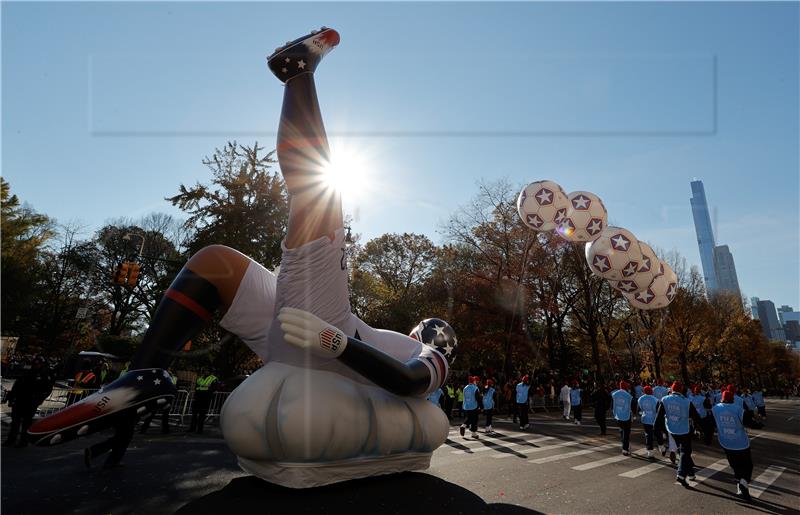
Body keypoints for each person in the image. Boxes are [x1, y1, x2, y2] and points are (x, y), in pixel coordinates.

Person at [32, 28, 458, 487]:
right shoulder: (403, 336)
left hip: (327, 342)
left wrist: (339, 343)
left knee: (319, 197)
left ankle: (298, 73)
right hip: (308, 334)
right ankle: (146, 374)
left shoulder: (429, 352)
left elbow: (411, 382)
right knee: (215, 263)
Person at [656, 381, 703, 487]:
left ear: (672, 389)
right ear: (681, 390)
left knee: (684, 451)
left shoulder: (664, 399)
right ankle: (681, 474)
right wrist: (701, 428)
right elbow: (696, 417)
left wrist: (660, 437)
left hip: (672, 429)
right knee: (685, 451)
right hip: (684, 430)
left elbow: (658, 418)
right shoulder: (686, 401)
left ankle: (691, 474)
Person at [3, 356, 53, 448]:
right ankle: (11, 440)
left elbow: (48, 390)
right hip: (19, 401)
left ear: (41, 365)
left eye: (38, 364)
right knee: (15, 422)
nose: (35, 365)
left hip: (31, 402)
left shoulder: (44, 376)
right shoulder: (27, 373)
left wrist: (39, 400)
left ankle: (23, 441)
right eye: (34, 363)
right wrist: (11, 398)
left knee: (26, 423)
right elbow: (17, 386)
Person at [712, 390, 753, 501]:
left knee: (735, 464)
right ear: (733, 399)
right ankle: (744, 481)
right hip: (740, 442)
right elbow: (749, 421)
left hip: (726, 441)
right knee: (747, 464)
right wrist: (758, 424)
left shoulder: (715, 408)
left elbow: (712, 421)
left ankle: (740, 484)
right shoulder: (737, 409)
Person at [140, 369, 178, 434]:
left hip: (160, 397)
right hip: (164, 397)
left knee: (153, 413)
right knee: (164, 414)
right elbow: (173, 388)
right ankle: (165, 430)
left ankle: (144, 429)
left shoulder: (161, 375)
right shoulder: (170, 377)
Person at [188, 368, 219, 434]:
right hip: (198, 397)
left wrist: (206, 390)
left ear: (210, 372)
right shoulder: (200, 378)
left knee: (202, 414)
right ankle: (192, 428)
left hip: (205, 398)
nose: (205, 372)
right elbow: (196, 387)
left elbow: (213, 388)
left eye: (207, 370)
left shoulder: (213, 378)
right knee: (194, 414)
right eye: (205, 371)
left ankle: (199, 429)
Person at [637, 385, 662, 458]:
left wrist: (643, 413)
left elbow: (639, 410)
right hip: (654, 419)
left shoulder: (640, 399)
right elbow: (658, 411)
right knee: (658, 433)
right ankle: (661, 446)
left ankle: (650, 451)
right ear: (651, 391)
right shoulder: (655, 399)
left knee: (648, 435)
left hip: (645, 419)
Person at [611, 380, 634, 455]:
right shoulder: (628, 395)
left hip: (618, 415)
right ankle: (625, 448)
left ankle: (624, 445)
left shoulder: (614, 394)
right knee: (626, 432)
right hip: (626, 415)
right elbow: (632, 405)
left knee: (621, 430)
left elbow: (613, 404)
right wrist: (633, 414)